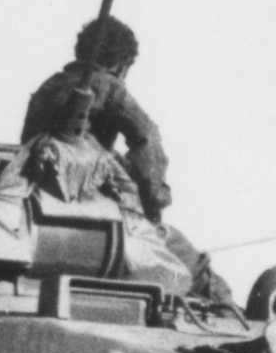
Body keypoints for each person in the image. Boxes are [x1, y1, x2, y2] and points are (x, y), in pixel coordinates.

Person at [22, 15, 174, 218]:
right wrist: (155, 199)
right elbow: (147, 135)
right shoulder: (109, 86)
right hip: (86, 191)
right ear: (122, 65)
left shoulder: (51, 85)